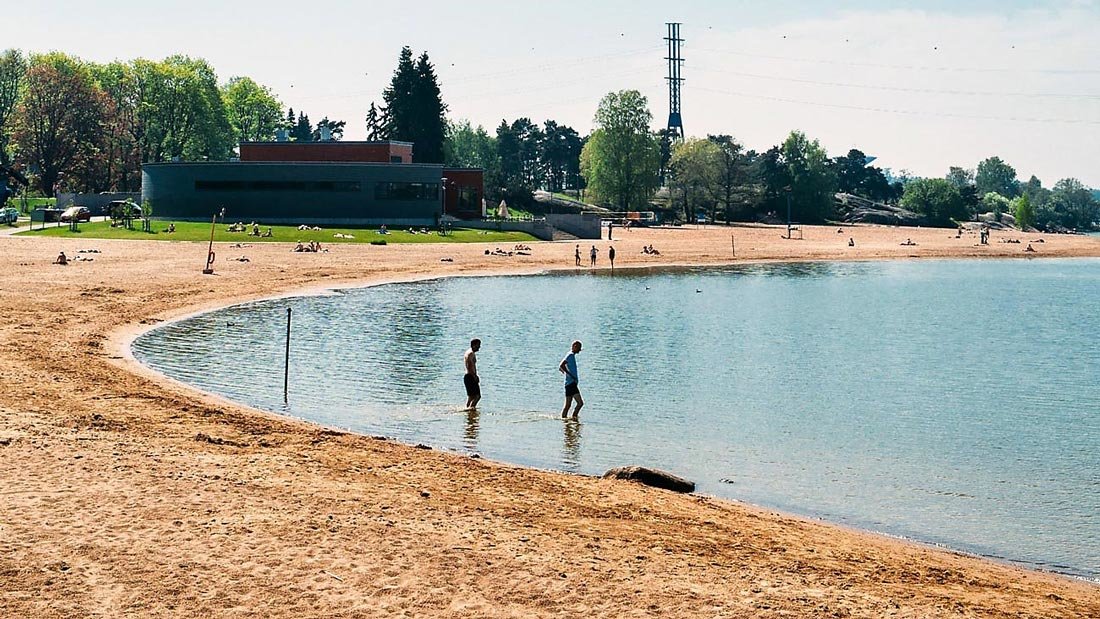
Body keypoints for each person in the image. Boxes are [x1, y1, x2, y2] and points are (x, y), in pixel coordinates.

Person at [559, 340, 583, 418]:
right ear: (574, 347)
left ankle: (564, 419)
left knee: (568, 405)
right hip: (571, 384)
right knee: (580, 403)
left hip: (569, 383)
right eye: (579, 348)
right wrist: (570, 375)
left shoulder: (570, 355)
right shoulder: (570, 355)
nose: (580, 350)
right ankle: (574, 418)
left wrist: (565, 372)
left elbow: (561, 367)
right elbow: (561, 365)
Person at [464, 338, 481, 410]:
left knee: (471, 397)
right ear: (473, 345)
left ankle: (468, 411)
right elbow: (469, 366)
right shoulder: (470, 354)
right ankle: (471, 410)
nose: (479, 347)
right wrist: (474, 376)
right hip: (470, 376)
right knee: (477, 396)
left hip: (468, 376)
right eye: (478, 345)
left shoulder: (468, 352)